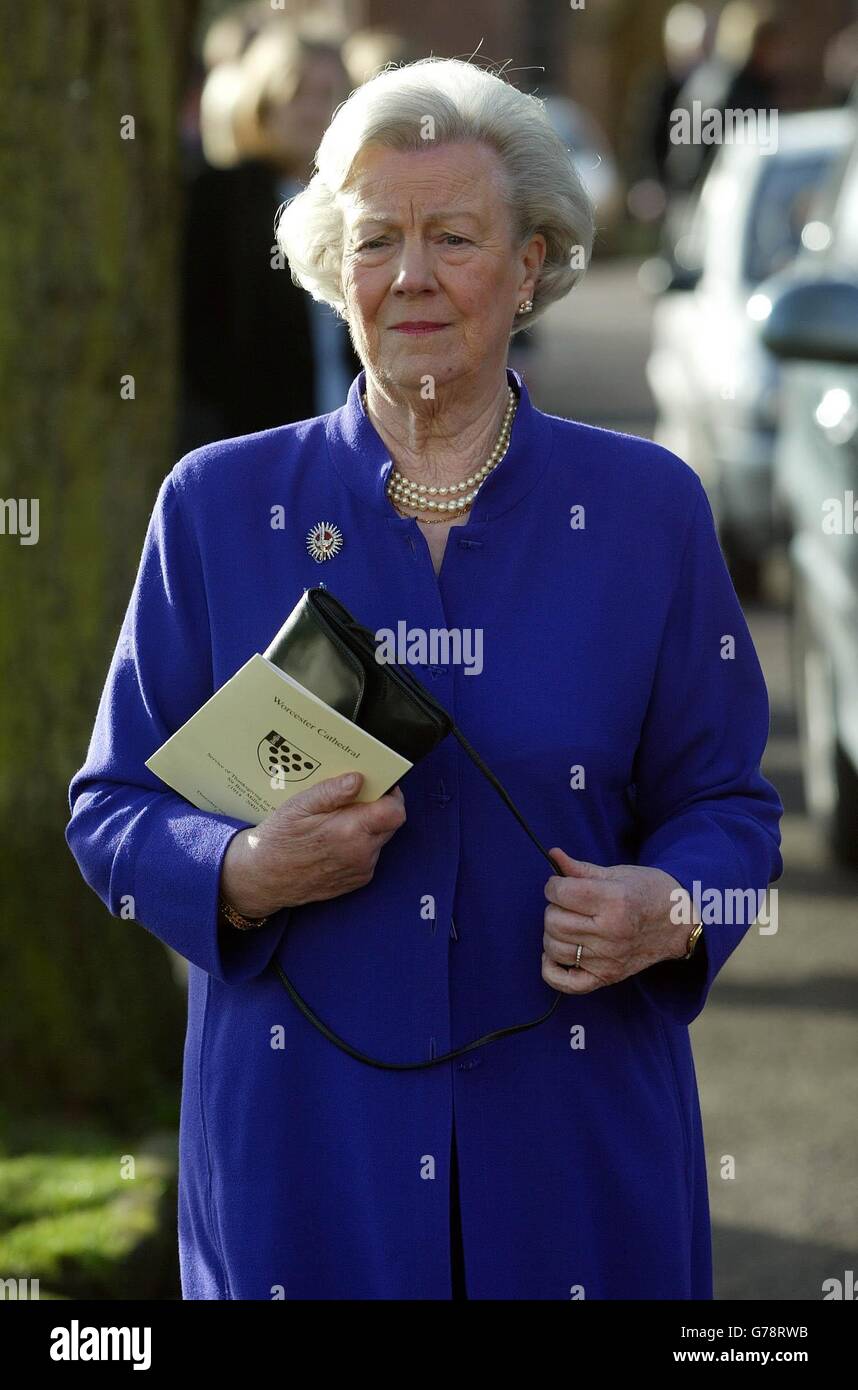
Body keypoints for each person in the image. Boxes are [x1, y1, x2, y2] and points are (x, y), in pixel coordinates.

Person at [66, 57, 783, 1300]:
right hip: (303, 1162)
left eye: (453, 236)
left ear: (532, 263)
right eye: (375, 238)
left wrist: (666, 908)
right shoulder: (217, 506)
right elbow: (111, 811)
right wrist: (236, 872)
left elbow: (732, 808)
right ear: (331, 265)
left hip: (572, 1157)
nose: (409, 275)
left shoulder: (644, 510)